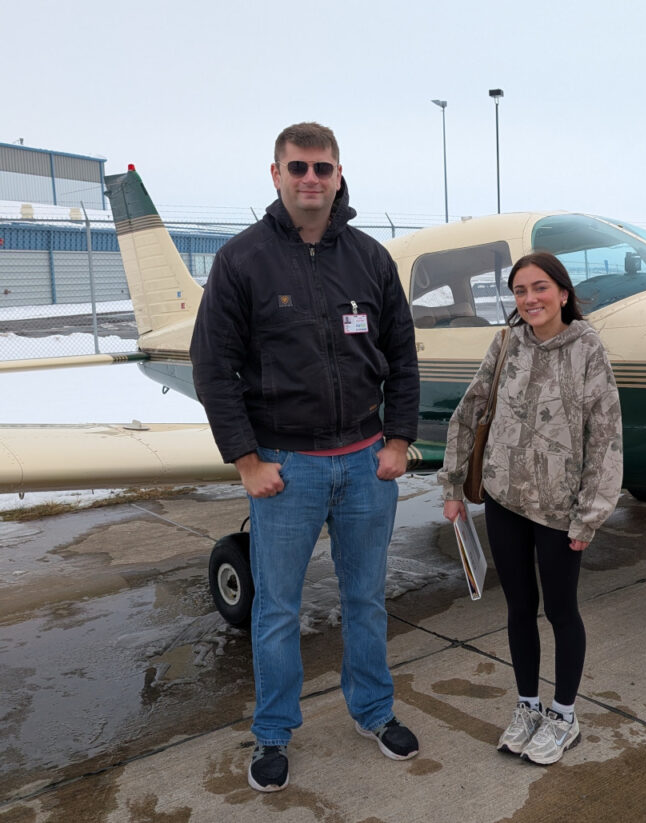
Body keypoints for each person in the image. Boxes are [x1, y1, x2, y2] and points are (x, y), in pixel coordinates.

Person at [189, 122, 420, 792]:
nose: (311, 179)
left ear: (339, 174)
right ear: (276, 174)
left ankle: (374, 711)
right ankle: (272, 731)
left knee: (365, 599)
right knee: (278, 608)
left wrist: (397, 441)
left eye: (322, 168)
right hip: (287, 469)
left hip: (364, 463)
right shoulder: (242, 260)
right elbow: (214, 368)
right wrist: (246, 461)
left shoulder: (372, 260)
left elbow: (402, 357)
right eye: (298, 168)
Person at [438, 251, 623, 765]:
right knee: (519, 610)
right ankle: (527, 706)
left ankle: (564, 715)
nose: (529, 299)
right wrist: (454, 485)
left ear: (563, 293)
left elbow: (605, 436)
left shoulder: (588, 349)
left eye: (539, 288)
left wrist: (591, 514)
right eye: (520, 291)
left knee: (561, 611)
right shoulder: (506, 342)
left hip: (560, 508)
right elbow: (472, 406)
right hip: (504, 498)